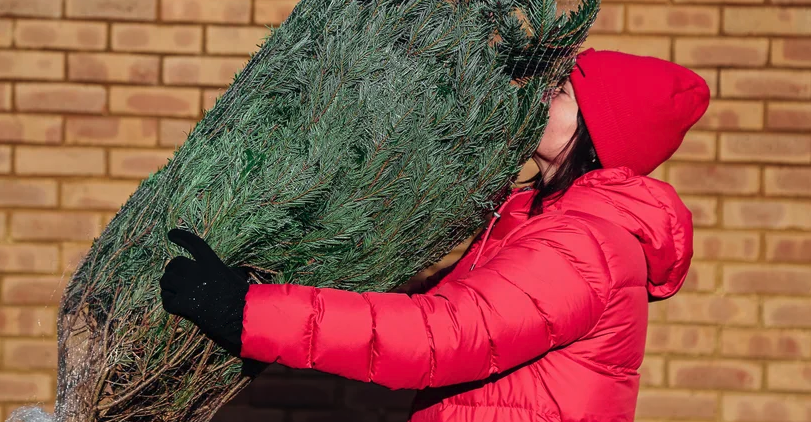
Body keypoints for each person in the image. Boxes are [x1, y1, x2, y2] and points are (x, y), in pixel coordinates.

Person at [160, 47, 711, 422]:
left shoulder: (583, 245)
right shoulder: (532, 218)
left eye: (563, 91)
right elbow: (437, 312)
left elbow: (442, 336)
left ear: (599, 129)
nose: (541, 95)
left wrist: (250, 314)